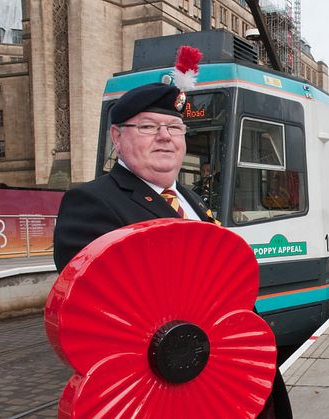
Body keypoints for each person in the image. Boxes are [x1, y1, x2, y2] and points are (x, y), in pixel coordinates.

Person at [52, 82, 292, 419]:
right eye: (148, 126)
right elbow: (94, 306)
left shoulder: (190, 198)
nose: (165, 136)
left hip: (231, 374)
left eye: (175, 127)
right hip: (169, 385)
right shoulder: (92, 202)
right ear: (117, 137)